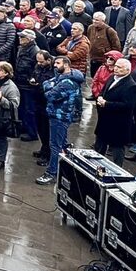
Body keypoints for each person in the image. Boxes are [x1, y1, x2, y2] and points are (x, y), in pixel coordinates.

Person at [36, 55, 84, 185]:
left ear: (66, 64)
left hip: (60, 116)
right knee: (61, 144)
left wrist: (49, 86)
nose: (55, 65)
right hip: (56, 115)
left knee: (55, 145)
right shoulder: (61, 77)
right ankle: (62, 169)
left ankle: (51, 173)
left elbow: (50, 95)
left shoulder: (67, 83)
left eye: (58, 63)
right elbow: (47, 83)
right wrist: (49, 85)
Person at [94, 57, 136, 166]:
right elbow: (103, 91)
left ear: (127, 70)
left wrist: (106, 104)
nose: (115, 69)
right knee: (99, 146)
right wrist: (99, 97)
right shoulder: (112, 77)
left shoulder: (131, 86)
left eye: (119, 67)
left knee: (117, 149)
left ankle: (118, 171)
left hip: (118, 123)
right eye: (116, 66)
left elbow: (128, 106)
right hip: (104, 120)